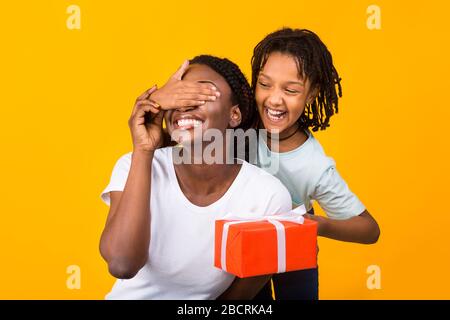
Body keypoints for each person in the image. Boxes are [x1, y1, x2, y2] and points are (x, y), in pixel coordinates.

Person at [99, 55, 292, 299]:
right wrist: (143, 151)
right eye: (178, 95)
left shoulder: (268, 197)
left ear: (234, 115)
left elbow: (234, 302)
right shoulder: (135, 166)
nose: (184, 105)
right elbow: (122, 264)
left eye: (200, 93)